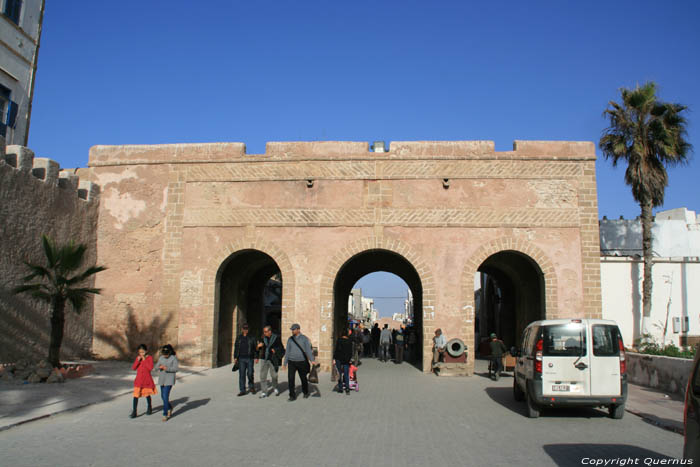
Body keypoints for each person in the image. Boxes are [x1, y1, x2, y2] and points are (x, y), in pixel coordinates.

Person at [283, 323, 317, 401]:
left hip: (301, 362)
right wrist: (285, 363)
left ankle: (305, 392)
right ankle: (292, 395)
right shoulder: (290, 339)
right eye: (292, 330)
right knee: (291, 379)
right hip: (291, 362)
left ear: (298, 329)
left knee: (303, 378)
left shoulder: (304, 339)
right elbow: (287, 351)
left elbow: (308, 350)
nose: (292, 331)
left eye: (293, 329)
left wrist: (312, 360)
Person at [256, 325, 285, 398]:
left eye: (265, 332)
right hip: (264, 359)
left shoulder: (276, 338)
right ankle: (264, 392)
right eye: (264, 332)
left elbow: (281, 348)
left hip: (273, 359)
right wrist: (258, 347)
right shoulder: (262, 338)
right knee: (262, 376)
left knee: (274, 375)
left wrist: (275, 350)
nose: (264, 333)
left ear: (270, 331)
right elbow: (257, 349)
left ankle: (275, 387)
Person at [130, 344, 156, 418]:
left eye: (143, 352)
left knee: (147, 394)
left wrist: (144, 360)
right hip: (138, 380)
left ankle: (149, 407)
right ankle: (134, 411)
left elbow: (150, 368)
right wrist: (137, 361)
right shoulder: (138, 358)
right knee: (135, 395)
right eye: (140, 352)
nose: (141, 354)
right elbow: (134, 368)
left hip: (146, 380)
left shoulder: (149, 358)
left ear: (146, 351)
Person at [155, 344, 178, 422]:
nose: (165, 355)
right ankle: (169, 407)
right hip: (162, 379)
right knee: (162, 396)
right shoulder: (161, 358)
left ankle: (165, 414)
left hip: (169, 380)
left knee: (165, 396)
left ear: (170, 352)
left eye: (166, 354)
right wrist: (159, 367)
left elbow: (175, 368)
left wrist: (166, 368)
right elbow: (155, 367)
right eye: (164, 354)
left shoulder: (173, 358)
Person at [233, 323, 257, 396]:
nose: (245, 330)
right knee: (242, 375)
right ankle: (242, 390)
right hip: (241, 358)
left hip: (249, 358)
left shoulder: (252, 337)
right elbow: (236, 347)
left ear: (248, 329)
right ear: (242, 329)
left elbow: (255, 348)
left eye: (246, 328)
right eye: (244, 328)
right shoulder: (239, 337)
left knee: (250, 373)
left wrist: (256, 357)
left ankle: (251, 387)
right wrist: (235, 357)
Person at [333, 327, 353, 394]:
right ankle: (347, 388)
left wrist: (334, 359)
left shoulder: (339, 340)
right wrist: (350, 359)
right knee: (346, 374)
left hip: (339, 358)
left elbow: (336, 350)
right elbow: (350, 351)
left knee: (339, 374)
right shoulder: (349, 341)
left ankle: (340, 388)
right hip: (346, 360)